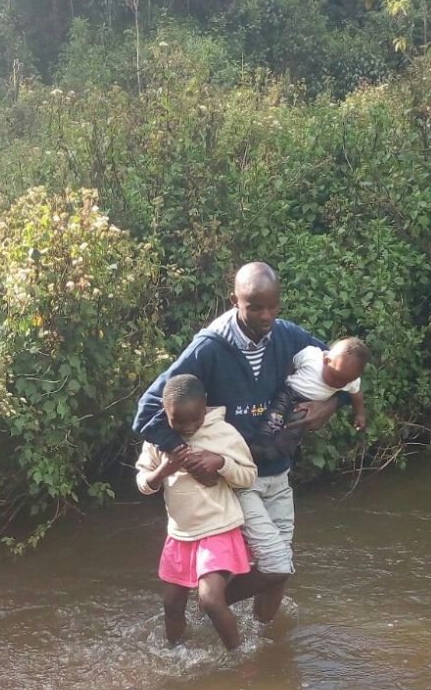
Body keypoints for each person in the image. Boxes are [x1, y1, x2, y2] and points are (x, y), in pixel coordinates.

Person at [133, 262, 350, 624]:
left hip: (278, 471)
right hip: (235, 478)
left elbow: (344, 368)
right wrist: (188, 458)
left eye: (273, 306)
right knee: (278, 566)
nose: (266, 316)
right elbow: (147, 411)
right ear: (235, 301)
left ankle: (262, 642)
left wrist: (332, 404)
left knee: (279, 570)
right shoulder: (210, 346)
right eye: (255, 307)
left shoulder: (287, 335)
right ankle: (212, 609)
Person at [135, 374, 257, 650]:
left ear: (205, 406)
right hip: (180, 534)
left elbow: (248, 476)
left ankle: (239, 656)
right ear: (165, 413)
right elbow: (143, 484)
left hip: (218, 529)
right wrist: (162, 471)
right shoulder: (157, 441)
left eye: (196, 419)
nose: (189, 428)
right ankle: (176, 655)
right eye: (179, 422)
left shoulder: (224, 433)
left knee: (211, 599)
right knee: (171, 604)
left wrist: (221, 462)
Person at [249, 337, 370, 462]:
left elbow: (356, 395)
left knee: (296, 426)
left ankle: (279, 451)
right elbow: (292, 364)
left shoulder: (350, 379)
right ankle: (263, 439)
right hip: (289, 393)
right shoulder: (311, 356)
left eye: (344, 383)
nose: (337, 384)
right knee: (276, 412)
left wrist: (360, 414)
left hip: (308, 405)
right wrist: (284, 381)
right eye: (335, 377)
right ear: (326, 360)